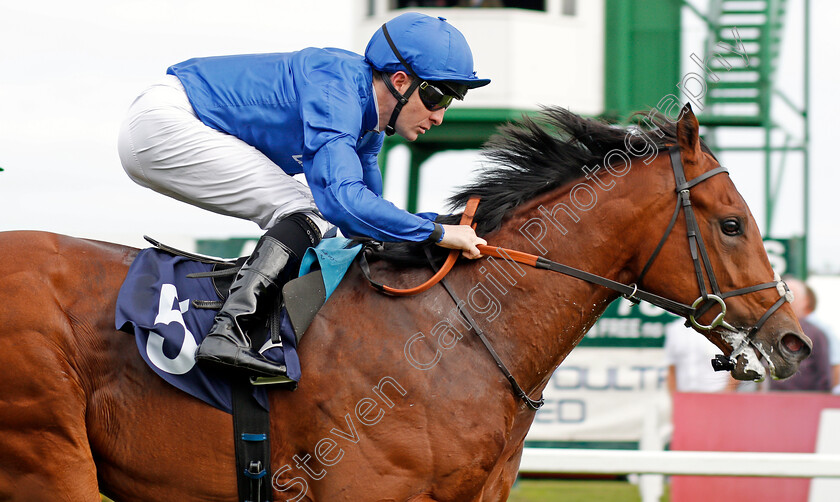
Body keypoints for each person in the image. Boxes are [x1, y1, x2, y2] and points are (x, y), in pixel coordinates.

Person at [117, 12, 490, 378]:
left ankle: (239, 320)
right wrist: (437, 233)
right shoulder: (337, 87)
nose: (440, 116)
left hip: (169, 124)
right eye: (437, 97)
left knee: (314, 213)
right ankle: (229, 331)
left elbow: (367, 222)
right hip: (165, 123)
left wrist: (437, 227)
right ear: (400, 80)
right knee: (309, 208)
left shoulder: (368, 126)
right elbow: (342, 203)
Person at [769, 278, 832, 392]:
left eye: (791, 296)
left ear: (805, 301)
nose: (787, 301)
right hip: (772, 400)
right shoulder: (769, 331)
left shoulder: (816, 334)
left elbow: (824, 378)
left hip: (806, 401)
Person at [664, 319, 738, 394]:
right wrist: (675, 399)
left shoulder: (722, 328)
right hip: (686, 397)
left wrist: (727, 394)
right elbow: (671, 368)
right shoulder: (675, 330)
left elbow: (736, 363)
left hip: (717, 395)